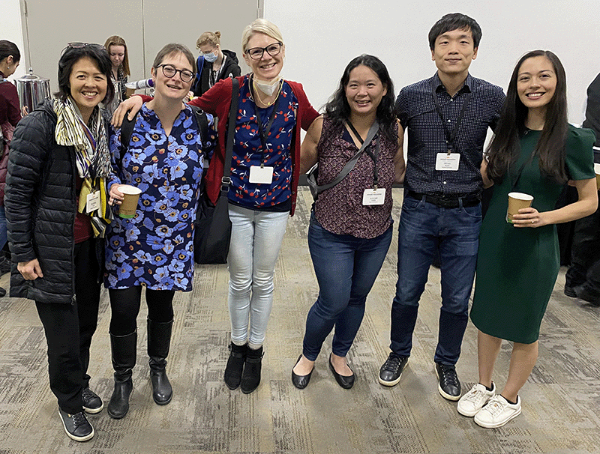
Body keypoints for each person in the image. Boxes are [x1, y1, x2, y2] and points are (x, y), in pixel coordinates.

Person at [113, 19, 319, 394]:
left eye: (272, 48)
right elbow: (183, 102)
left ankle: (255, 351)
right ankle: (237, 347)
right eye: (256, 50)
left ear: (283, 50)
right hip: (235, 202)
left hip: (274, 205)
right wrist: (139, 98)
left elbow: (319, 127)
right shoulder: (231, 89)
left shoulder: (295, 94)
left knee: (264, 280)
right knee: (240, 280)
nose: (265, 56)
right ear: (245, 56)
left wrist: (299, 169)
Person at [456, 50, 597, 428]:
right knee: (486, 316)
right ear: (515, 87)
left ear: (558, 83)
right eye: (525, 78)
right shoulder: (508, 132)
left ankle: (509, 397)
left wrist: (545, 217)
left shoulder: (575, 139)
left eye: (543, 76)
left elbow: (590, 201)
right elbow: (489, 179)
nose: (534, 85)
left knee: (523, 323)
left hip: (536, 245)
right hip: (495, 237)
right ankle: (483, 385)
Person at [378, 13, 505, 402]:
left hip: (467, 211)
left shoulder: (492, 96)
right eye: (445, 42)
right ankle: (398, 353)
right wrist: (397, 170)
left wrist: (488, 170)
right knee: (406, 291)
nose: (454, 49)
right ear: (432, 52)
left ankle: (446, 362)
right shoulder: (411, 96)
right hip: (419, 208)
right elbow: (390, 137)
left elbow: (510, 142)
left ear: (475, 51)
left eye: (463, 42)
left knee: (456, 297)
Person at [5, 42, 115, 442]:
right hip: (50, 250)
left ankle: (78, 382)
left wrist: (110, 192)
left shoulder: (97, 122)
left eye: (98, 77)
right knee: (63, 335)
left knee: (85, 324)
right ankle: (68, 402)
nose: (90, 84)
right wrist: (23, 255)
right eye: (81, 76)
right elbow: (15, 194)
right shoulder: (41, 123)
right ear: (66, 78)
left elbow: (89, 180)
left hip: (88, 243)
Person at [104, 43, 215, 419]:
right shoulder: (127, 119)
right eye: (169, 69)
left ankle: (157, 367)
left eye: (185, 73)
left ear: (192, 81)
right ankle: (122, 379)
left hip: (173, 239)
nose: (177, 78)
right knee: (123, 309)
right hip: (128, 237)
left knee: (162, 307)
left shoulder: (201, 123)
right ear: (154, 72)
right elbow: (107, 169)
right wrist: (113, 187)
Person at [291, 55, 404, 390]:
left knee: (357, 298)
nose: (362, 92)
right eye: (354, 84)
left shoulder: (393, 128)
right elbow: (299, 167)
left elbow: (397, 171)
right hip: (331, 231)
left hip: (377, 232)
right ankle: (308, 355)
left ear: (384, 89)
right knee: (334, 299)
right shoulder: (325, 126)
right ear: (344, 88)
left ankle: (339, 355)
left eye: (370, 84)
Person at [564, 72, 600, 306]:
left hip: (594, 154)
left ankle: (576, 278)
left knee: (590, 222)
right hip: (595, 153)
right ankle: (593, 286)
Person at [0, 40, 22, 294]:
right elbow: (16, 123)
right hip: (2, 155)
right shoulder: (6, 88)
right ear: (9, 60)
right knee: (4, 214)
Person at [192, 31, 241, 98]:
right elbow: (197, 87)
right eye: (203, 52)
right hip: (204, 107)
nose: (206, 55)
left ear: (217, 47)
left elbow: (234, 95)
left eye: (208, 52)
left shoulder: (233, 68)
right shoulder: (202, 63)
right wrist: (192, 93)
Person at [103, 36, 131, 120]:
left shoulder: (122, 73)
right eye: (113, 54)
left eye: (120, 55)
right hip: (105, 117)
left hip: (119, 116)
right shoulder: (102, 73)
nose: (117, 58)